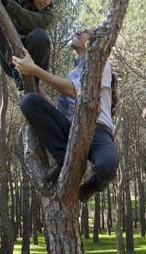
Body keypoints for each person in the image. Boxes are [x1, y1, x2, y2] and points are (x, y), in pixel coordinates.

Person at [13, 26, 118, 202]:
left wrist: (35, 70)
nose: (79, 31)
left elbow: (79, 91)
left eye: (86, 31)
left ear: (94, 41)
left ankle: (90, 187)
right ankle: (64, 159)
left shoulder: (102, 63)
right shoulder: (71, 73)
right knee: (28, 101)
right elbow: (59, 111)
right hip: (70, 130)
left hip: (98, 132)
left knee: (107, 167)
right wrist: (36, 87)